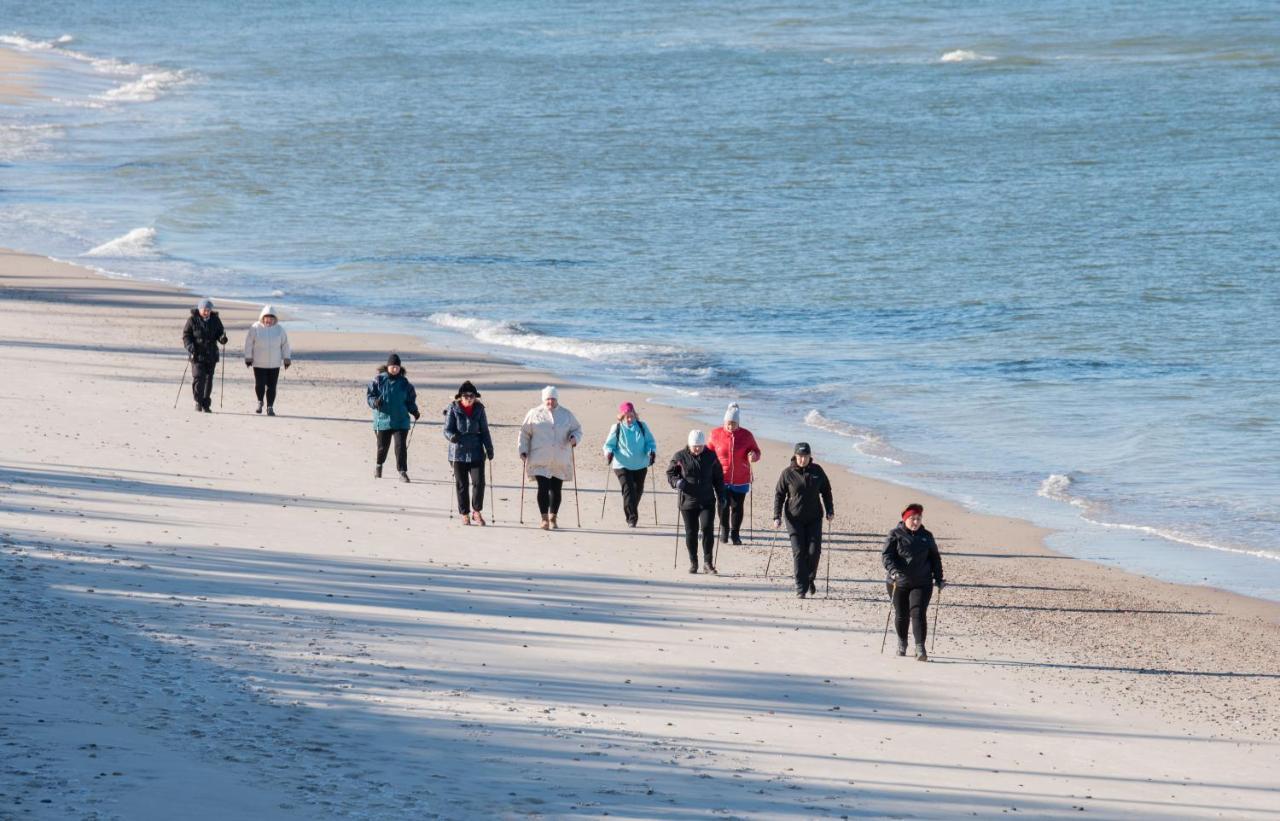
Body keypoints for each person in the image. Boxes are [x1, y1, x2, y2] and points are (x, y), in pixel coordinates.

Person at [882, 503, 945, 661]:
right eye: (912, 518)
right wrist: (893, 570)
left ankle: (920, 648)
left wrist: (939, 578)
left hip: (922, 582)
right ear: (905, 518)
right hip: (898, 582)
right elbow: (886, 556)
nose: (916, 522)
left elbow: (935, 559)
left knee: (918, 613)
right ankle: (902, 643)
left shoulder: (927, 536)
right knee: (902, 614)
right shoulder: (894, 534)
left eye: (918, 518)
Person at [772, 442, 834, 598]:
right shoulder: (787, 473)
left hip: (814, 517)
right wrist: (777, 516)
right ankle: (801, 587)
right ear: (795, 456)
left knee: (814, 552)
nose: (802, 460)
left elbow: (826, 491)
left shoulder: (817, 471)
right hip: (794, 519)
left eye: (805, 456)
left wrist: (830, 510)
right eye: (800, 456)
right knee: (799, 551)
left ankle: (809, 578)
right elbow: (779, 495)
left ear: (809, 456)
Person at [518, 386, 582, 529]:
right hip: (539, 457)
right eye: (548, 399)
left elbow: (577, 429)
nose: (550, 402)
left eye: (553, 399)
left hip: (560, 458)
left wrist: (574, 438)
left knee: (556, 489)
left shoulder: (566, 414)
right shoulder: (534, 413)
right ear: (543, 399)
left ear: (557, 399)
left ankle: (553, 517)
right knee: (543, 487)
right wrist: (522, 449)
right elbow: (524, 433)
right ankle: (544, 519)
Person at [666, 429, 727, 574]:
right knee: (691, 532)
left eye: (700, 446)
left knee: (707, 529)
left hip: (707, 500)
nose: (698, 449)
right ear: (689, 444)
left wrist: (722, 496)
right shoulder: (680, 457)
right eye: (695, 446)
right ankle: (693, 562)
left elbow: (718, 479)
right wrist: (677, 482)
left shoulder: (711, 457)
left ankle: (708, 563)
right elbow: (670, 473)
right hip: (687, 502)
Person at [707, 402, 762, 545]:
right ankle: (724, 530)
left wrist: (753, 456)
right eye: (728, 423)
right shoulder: (715, 434)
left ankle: (735, 533)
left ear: (738, 423)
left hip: (741, 478)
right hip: (721, 477)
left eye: (733, 424)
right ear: (724, 422)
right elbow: (708, 452)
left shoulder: (747, 435)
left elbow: (756, 451)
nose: (730, 426)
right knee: (723, 505)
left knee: (737, 507)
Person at [443, 380, 494, 525]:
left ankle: (476, 512)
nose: (469, 398)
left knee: (479, 483)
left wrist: (489, 448)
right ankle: (464, 513)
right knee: (462, 484)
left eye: (471, 396)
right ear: (460, 397)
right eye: (466, 396)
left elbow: (484, 430)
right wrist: (452, 436)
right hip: (457, 452)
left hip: (476, 451)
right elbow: (446, 430)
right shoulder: (453, 408)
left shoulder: (479, 409)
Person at [602, 401, 658, 527]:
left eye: (631, 415)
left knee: (638, 491)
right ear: (621, 416)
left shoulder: (642, 426)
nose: (629, 418)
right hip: (621, 464)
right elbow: (608, 445)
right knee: (628, 490)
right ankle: (631, 518)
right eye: (626, 416)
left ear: (634, 415)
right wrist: (609, 453)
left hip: (640, 464)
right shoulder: (616, 428)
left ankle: (631, 507)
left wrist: (651, 452)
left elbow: (650, 442)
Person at [366, 353, 420, 482]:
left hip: (401, 420)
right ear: (388, 366)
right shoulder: (378, 380)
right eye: (392, 366)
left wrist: (414, 411)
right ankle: (379, 465)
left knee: (400, 447)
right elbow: (370, 396)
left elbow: (410, 400)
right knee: (382, 447)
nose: (395, 369)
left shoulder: (405, 383)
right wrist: (375, 402)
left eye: (397, 367)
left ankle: (402, 472)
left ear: (400, 368)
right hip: (383, 419)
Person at [242, 304, 292, 416]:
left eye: (271, 318)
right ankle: (260, 401)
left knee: (272, 386)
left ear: (274, 319)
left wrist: (287, 358)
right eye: (267, 318)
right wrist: (248, 357)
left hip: (274, 364)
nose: (269, 320)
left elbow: (285, 345)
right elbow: (249, 343)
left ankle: (270, 407)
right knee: (260, 384)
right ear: (263, 317)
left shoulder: (279, 330)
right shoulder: (255, 328)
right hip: (259, 363)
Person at [181, 297, 227, 413]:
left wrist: (223, 339)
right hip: (197, 354)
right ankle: (198, 401)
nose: (206, 312)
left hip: (211, 354)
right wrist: (190, 346)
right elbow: (186, 335)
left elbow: (221, 333)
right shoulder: (192, 320)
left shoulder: (215, 320)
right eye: (204, 309)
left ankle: (206, 404)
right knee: (198, 378)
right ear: (199, 309)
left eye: (208, 310)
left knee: (208, 379)